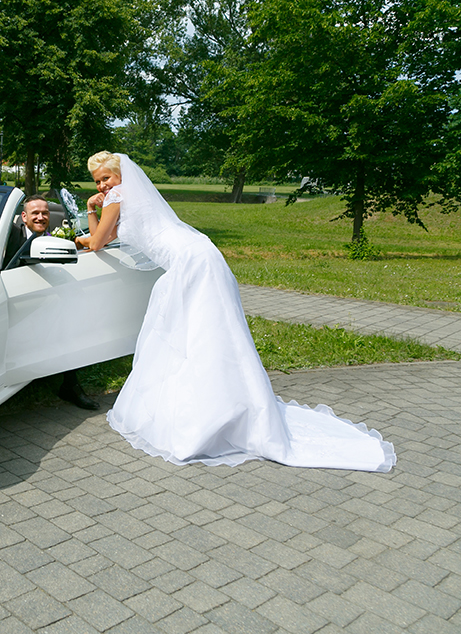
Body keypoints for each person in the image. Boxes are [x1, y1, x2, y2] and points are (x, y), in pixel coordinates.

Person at [81, 151, 395, 471]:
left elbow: (95, 243)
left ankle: (207, 420)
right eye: (97, 181)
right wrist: (91, 223)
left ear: (122, 176)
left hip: (190, 263)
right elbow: (104, 237)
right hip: (199, 253)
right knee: (210, 335)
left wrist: (90, 208)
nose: (103, 185)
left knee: (191, 337)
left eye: (106, 178)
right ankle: (222, 410)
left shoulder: (118, 196)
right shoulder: (131, 198)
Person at [7, 194, 99, 411]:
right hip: (15, 298)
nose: (40, 217)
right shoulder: (11, 234)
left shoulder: (57, 236)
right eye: (35, 213)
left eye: (45, 213)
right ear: (24, 216)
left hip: (47, 297)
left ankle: (70, 385)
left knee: (71, 321)